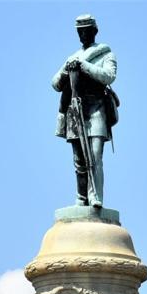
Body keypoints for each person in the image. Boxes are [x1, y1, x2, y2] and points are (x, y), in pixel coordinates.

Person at [52, 15, 117, 208]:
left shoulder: (106, 53)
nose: (83, 34)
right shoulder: (72, 57)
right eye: (80, 31)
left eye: (86, 30)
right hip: (76, 109)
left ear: (94, 31)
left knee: (95, 155)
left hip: (96, 107)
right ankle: (81, 198)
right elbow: (55, 83)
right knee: (79, 159)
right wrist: (67, 69)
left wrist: (84, 66)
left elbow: (109, 76)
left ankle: (95, 196)